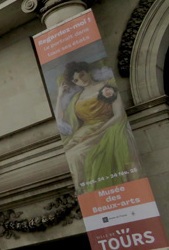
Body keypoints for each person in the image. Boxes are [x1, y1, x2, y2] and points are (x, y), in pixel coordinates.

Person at [55, 61, 140, 192]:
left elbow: (119, 114)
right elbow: (60, 118)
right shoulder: (77, 97)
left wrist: (97, 132)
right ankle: (88, 195)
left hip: (105, 127)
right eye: (76, 80)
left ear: (88, 71)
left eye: (82, 75)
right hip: (83, 132)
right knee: (71, 154)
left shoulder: (107, 86)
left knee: (78, 154)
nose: (81, 80)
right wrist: (60, 95)